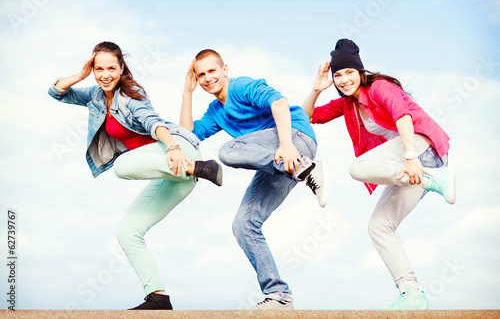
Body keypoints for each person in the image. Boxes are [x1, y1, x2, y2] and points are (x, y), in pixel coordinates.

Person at [48, 41, 222, 310]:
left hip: (178, 151)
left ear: (121, 69)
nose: (105, 74)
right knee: (127, 231)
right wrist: (80, 75)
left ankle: (200, 167)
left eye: (111, 68)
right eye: (98, 68)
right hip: (172, 171)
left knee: (121, 166)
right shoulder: (95, 96)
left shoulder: (130, 95)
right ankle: (158, 298)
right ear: (93, 69)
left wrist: (175, 150)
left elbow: (154, 122)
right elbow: (57, 92)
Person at [302, 39, 456, 310]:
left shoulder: (379, 88)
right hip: (410, 168)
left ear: (360, 71)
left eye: (349, 72)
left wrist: (410, 157)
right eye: (337, 75)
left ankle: (432, 179)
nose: (343, 79)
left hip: (423, 150)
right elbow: (306, 117)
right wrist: (316, 89)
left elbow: (403, 116)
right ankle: (412, 294)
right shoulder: (347, 105)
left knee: (358, 168)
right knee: (378, 226)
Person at [180, 49, 329, 310]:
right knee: (244, 224)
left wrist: (286, 147)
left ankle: (303, 169)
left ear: (225, 69)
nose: (207, 78)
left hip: (294, 140)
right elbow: (188, 135)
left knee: (228, 151)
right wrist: (187, 92)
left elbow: (280, 103)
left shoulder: (241, 86)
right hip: (283, 161)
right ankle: (279, 295)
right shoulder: (216, 111)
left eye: (212, 71)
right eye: (200, 75)